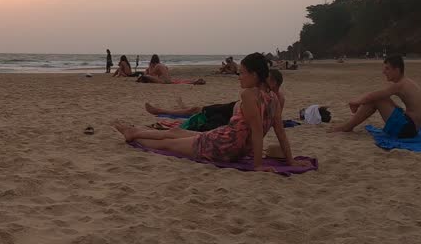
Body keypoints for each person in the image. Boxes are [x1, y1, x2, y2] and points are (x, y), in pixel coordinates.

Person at [114, 53, 305, 169]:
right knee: (176, 132)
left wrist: (257, 165)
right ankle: (135, 131)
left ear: (255, 75)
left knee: (169, 143)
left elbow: (256, 132)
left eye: (243, 72)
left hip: (225, 145)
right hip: (227, 140)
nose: (240, 76)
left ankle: (135, 136)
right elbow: (279, 132)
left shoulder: (249, 94)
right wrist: (290, 161)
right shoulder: (274, 98)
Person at [147, 69, 287, 133]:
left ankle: (162, 111)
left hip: (231, 115)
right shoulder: (268, 95)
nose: (263, 80)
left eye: (266, 78)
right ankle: (162, 110)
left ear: (273, 83)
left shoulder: (275, 98)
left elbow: (269, 122)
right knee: (197, 110)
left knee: (197, 113)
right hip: (232, 108)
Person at [328, 55, 421, 138]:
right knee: (382, 98)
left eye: (387, 68)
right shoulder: (406, 82)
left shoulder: (400, 85)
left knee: (377, 99)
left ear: (397, 70)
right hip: (412, 127)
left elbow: (373, 96)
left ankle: (347, 127)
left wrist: (355, 102)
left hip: (407, 129)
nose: (384, 72)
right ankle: (348, 126)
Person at [137, 54, 205, 85]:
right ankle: (195, 81)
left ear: (152, 61)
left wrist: (148, 68)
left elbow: (151, 74)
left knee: (145, 76)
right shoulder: (162, 65)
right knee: (181, 81)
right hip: (169, 80)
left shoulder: (157, 66)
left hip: (164, 82)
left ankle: (195, 81)